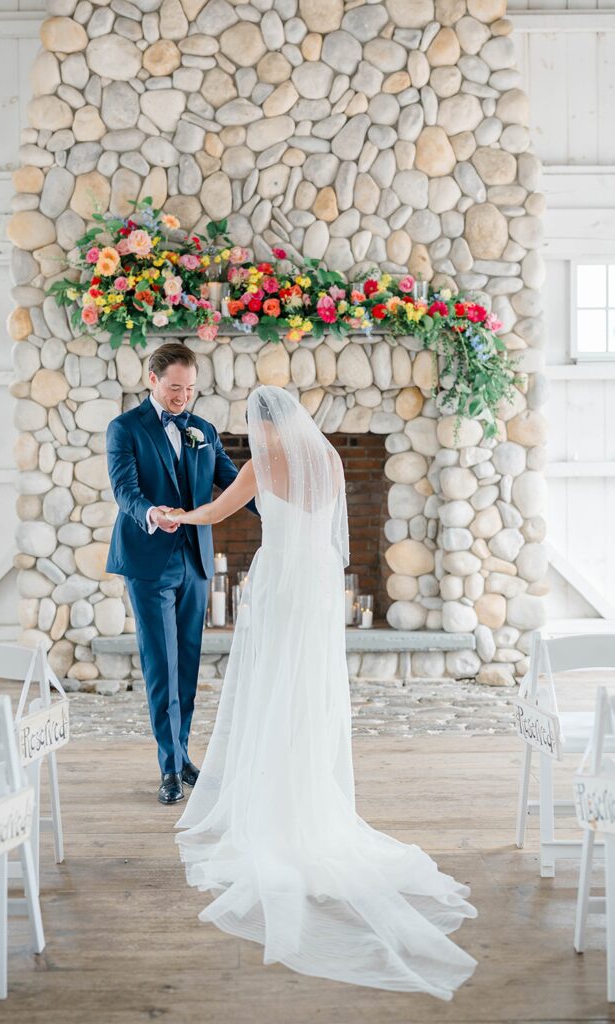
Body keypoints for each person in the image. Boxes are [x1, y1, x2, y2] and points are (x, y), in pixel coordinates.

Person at [163, 384, 477, 999]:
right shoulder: (328, 460)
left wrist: (178, 515)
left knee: (272, 689)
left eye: (252, 422)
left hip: (280, 583)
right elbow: (333, 534)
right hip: (317, 584)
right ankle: (307, 790)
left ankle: (275, 805)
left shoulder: (259, 466)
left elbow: (218, 512)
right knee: (305, 690)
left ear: (263, 423)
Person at [105, 342, 257, 805]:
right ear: (152, 379)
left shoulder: (203, 430)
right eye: (174, 388)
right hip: (149, 561)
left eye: (189, 389)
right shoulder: (125, 428)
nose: (182, 397)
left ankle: (183, 753)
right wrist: (152, 513)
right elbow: (124, 490)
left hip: (195, 561)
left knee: (187, 664)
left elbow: (234, 484)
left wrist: (281, 512)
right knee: (161, 665)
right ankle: (169, 767)